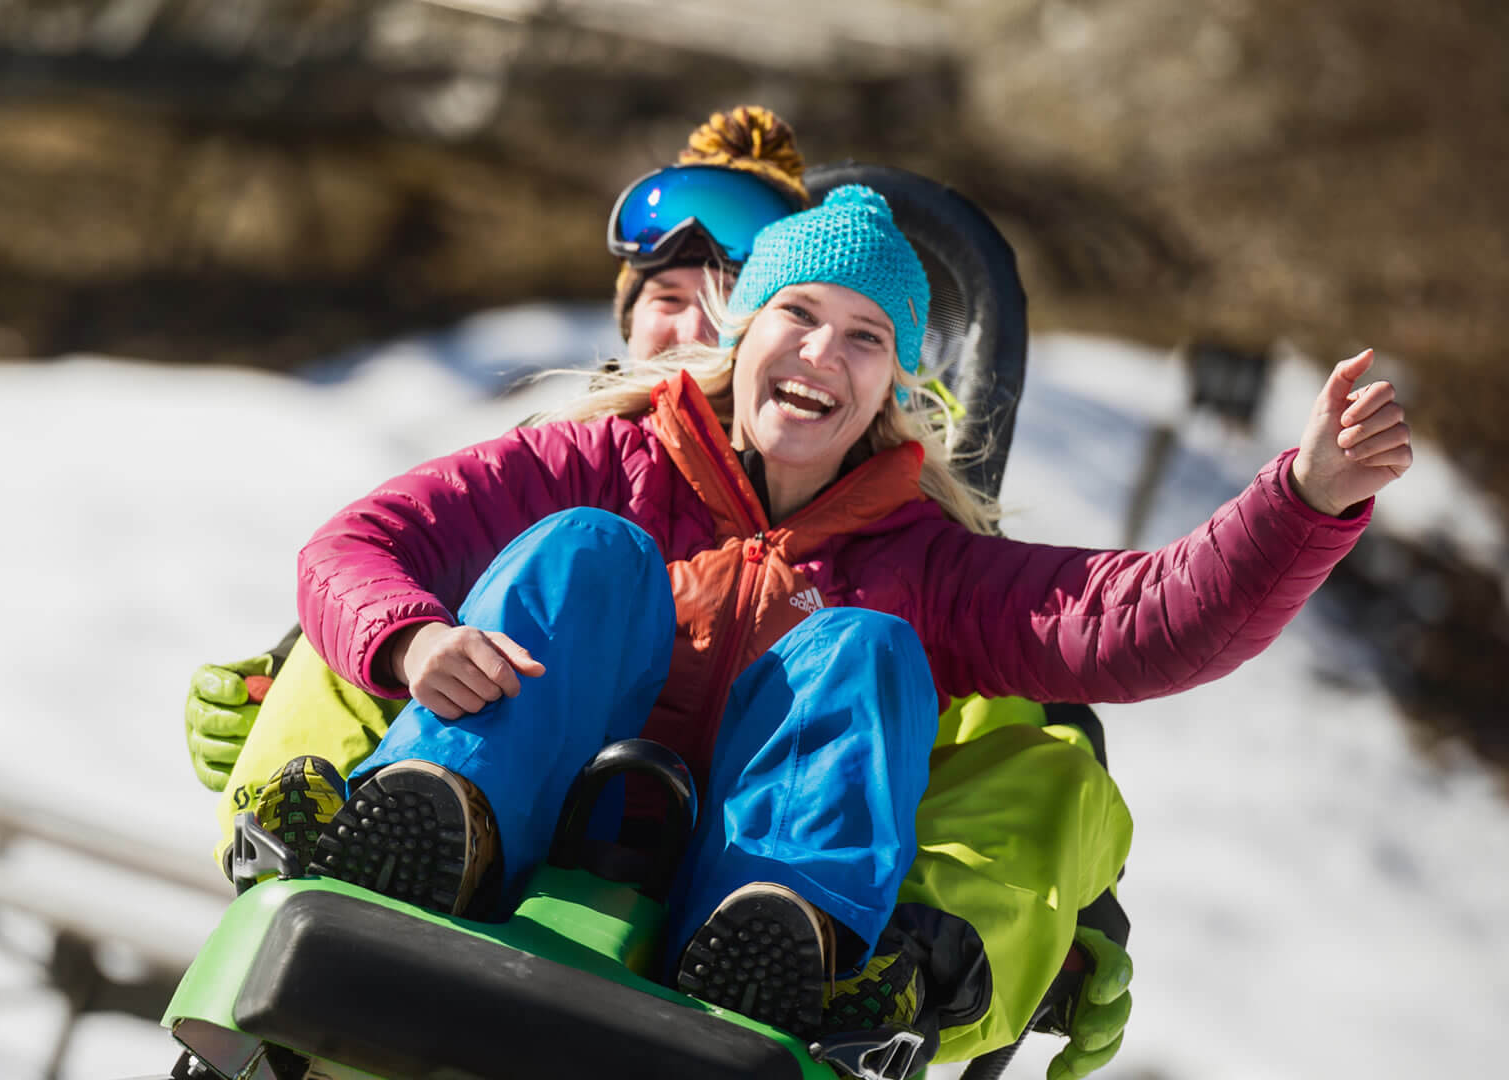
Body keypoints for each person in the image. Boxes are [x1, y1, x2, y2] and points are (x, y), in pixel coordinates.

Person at [287, 183, 1407, 1070]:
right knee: (586, 552)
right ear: (745, 333)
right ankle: (439, 822)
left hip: (719, 897)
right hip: (525, 826)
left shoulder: (916, 563)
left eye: (865, 338)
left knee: (867, 648)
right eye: (801, 316)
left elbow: (1141, 622)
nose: (823, 355)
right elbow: (356, 545)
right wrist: (410, 641)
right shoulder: (601, 458)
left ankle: (777, 939)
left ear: (894, 385)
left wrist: (1303, 497)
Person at [190, 108, 1138, 1076]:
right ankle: (346, 842)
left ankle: (837, 968)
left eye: (725, 294)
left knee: (898, 682)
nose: (690, 325)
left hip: (736, 932)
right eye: (665, 294)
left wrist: (1050, 918)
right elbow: (369, 575)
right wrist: (279, 712)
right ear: (623, 315)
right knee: (420, 617)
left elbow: (1025, 756)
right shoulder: (565, 470)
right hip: (467, 914)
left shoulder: (901, 540)